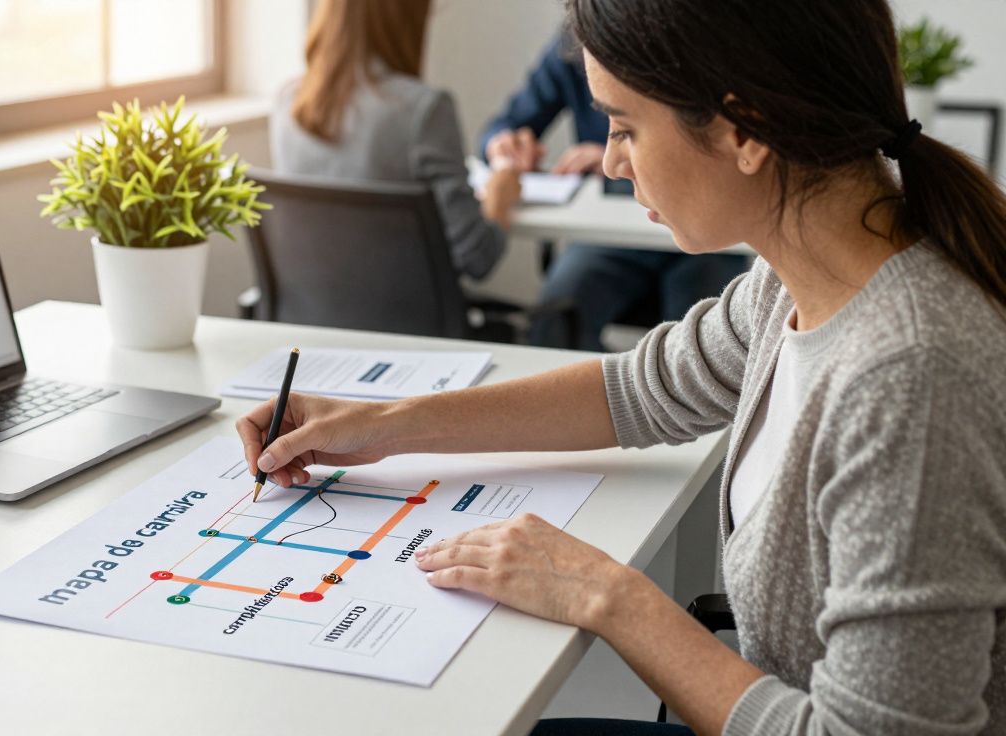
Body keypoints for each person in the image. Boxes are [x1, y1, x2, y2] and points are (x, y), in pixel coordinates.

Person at [238, 0, 1006, 733]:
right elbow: (639, 389)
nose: (608, 161)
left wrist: (609, 596)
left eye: (625, 126)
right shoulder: (803, 271)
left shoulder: (909, 376)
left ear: (747, 129)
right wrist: (383, 427)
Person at [479, 31, 750, 351]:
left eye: (623, 129)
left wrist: (634, 153)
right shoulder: (576, 42)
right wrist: (501, 145)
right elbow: (502, 126)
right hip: (609, 237)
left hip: (701, 230)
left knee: (698, 344)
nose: (610, 162)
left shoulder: (691, 36)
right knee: (556, 315)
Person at [269, 0, 520, 282]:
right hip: (411, 323)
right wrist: (499, 197)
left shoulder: (287, 104)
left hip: (308, 321)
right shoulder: (424, 110)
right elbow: (477, 258)